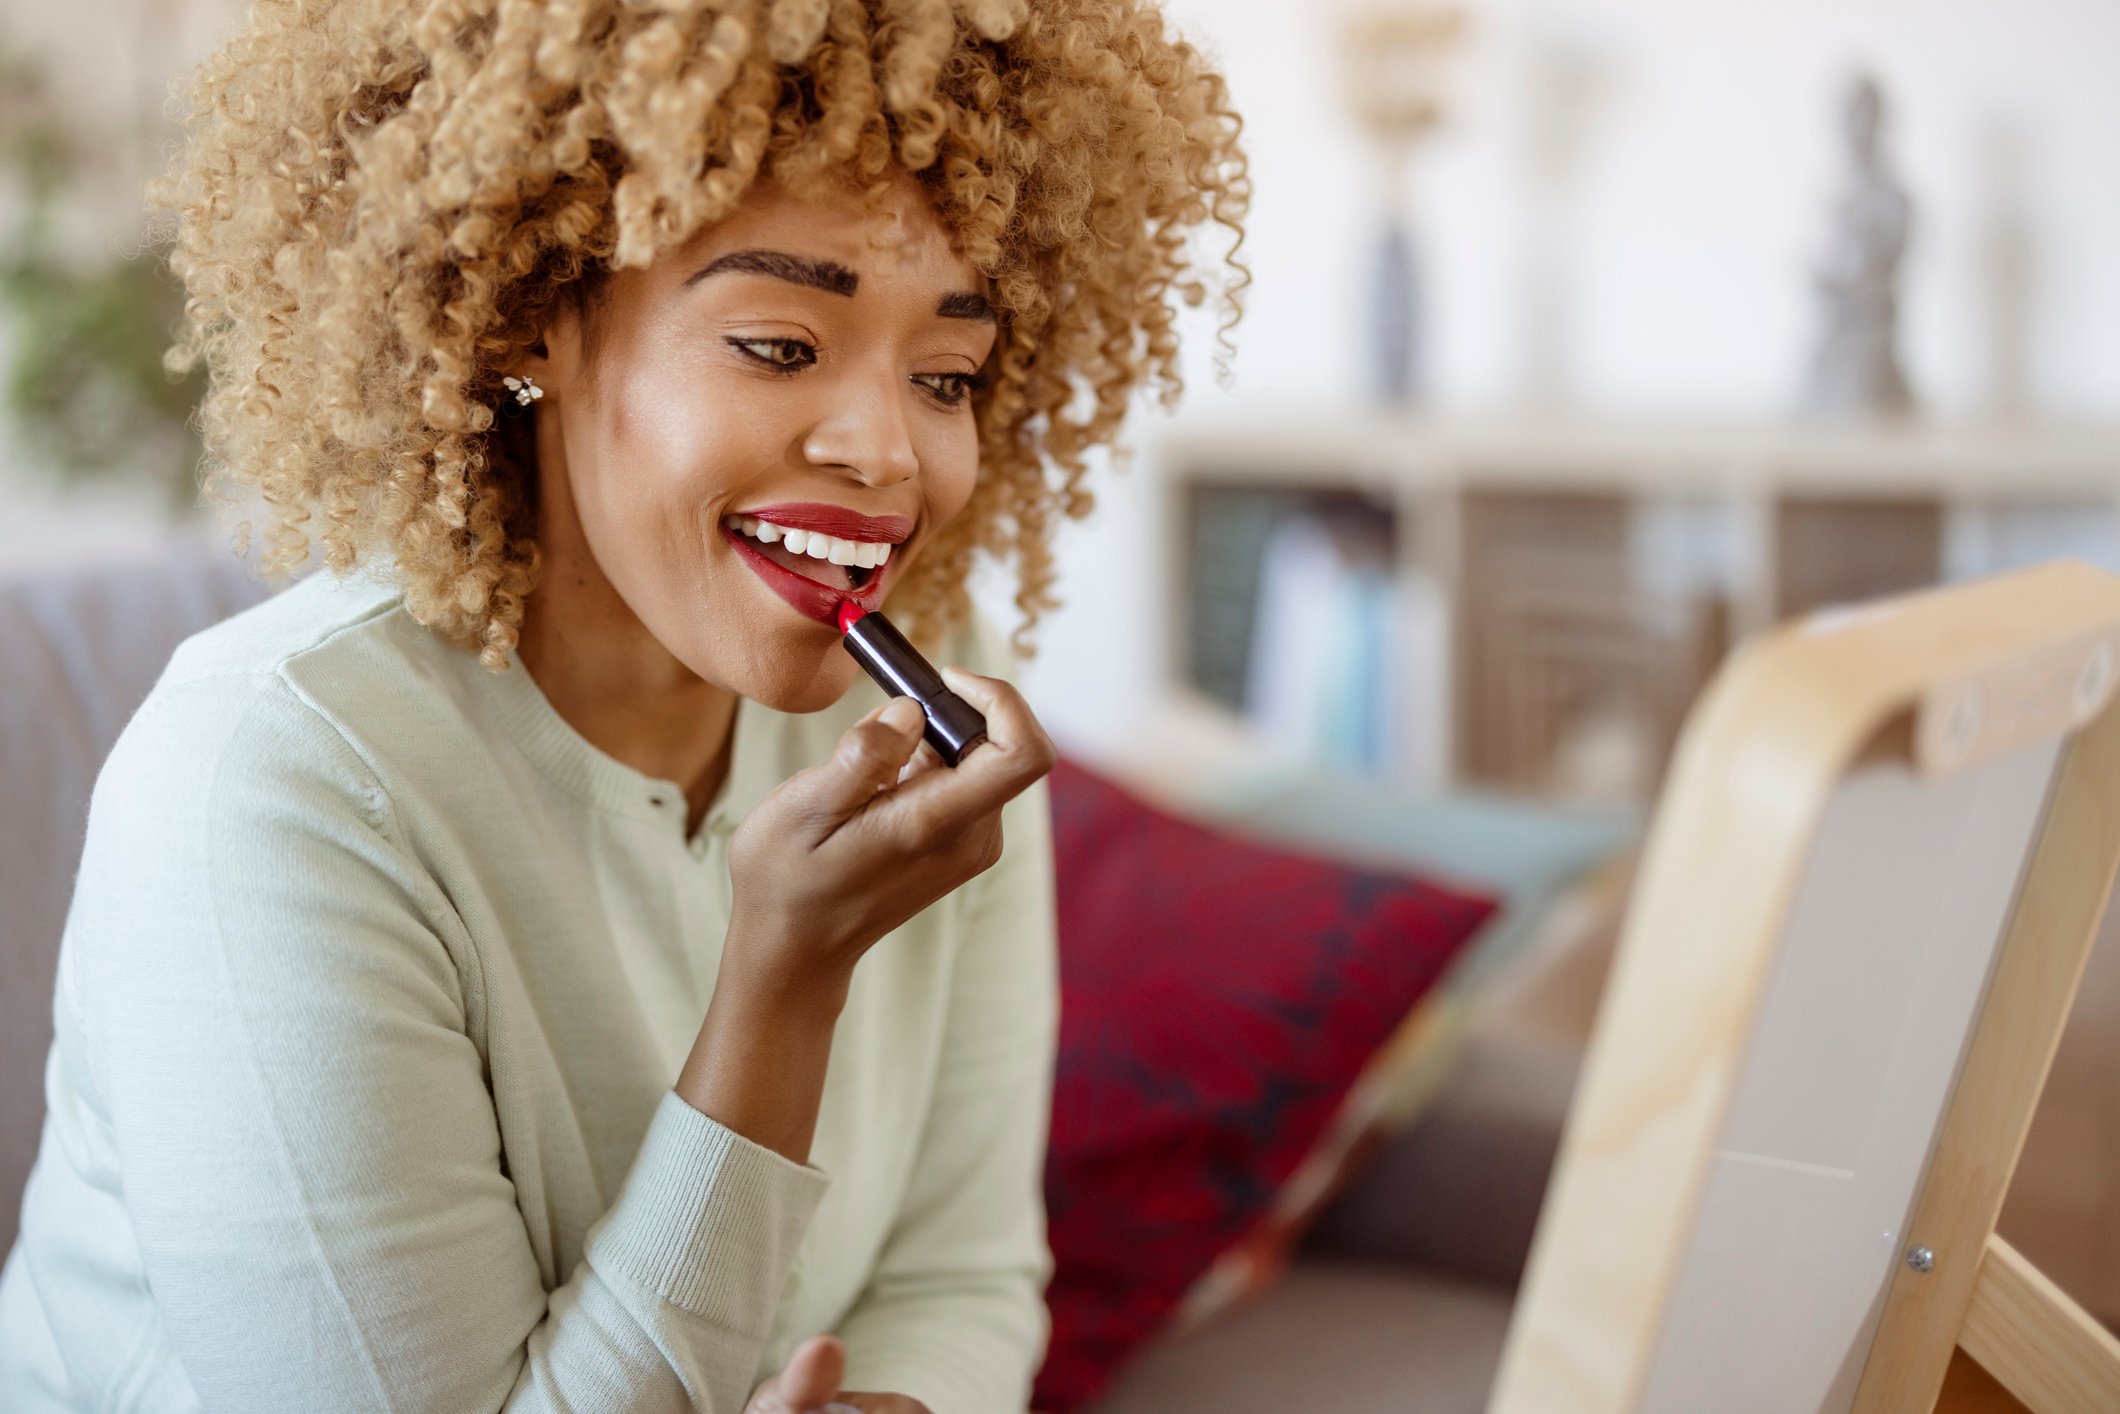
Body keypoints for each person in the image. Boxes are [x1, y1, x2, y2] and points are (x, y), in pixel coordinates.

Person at [0, 1, 1248, 1410]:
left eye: (946, 374)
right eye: (782, 344)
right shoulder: (270, 780)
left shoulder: (927, 708)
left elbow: (960, 1276)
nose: (887, 451)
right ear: (538, 316)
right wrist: (781, 986)